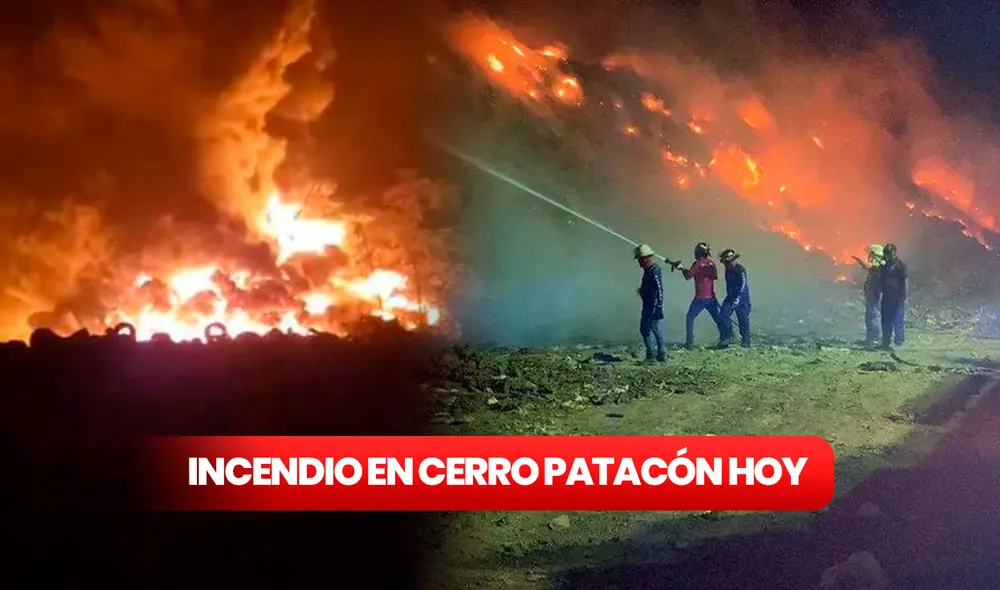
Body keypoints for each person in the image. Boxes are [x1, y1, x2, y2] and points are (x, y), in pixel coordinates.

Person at [680, 242, 724, 348]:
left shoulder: (697, 263)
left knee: (690, 317)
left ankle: (689, 342)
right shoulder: (711, 263)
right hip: (711, 297)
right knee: (717, 318)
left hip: (700, 298)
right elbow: (715, 276)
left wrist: (681, 268)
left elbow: (688, 276)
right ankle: (725, 337)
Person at [634, 244, 666, 363]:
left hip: (652, 305)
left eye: (640, 259)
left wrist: (658, 306)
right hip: (649, 304)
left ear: (645, 258)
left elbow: (659, 289)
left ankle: (652, 355)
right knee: (653, 328)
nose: (639, 262)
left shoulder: (654, 270)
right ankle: (661, 354)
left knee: (647, 329)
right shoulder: (649, 270)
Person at [851, 244, 885, 349]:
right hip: (872, 297)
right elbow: (869, 269)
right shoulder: (878, 268)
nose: (868, 257)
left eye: (870, 255)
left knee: (874, 317)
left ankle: (874, 340)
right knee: (871, 317)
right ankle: (870, 339)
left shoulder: (881, 270)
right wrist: (860, 263)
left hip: (876, 298)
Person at [717, 249, 751, 348]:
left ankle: (746, 340)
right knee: (723, 315)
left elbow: (743, 285)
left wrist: (738, 298)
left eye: (727, 262)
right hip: (730, 298)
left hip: (742, 299)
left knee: (743, 320)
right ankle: (728, 336)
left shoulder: (740, 270)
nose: (726, 265)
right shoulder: (727, 269)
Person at [878, 243, 907, 349]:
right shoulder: (883, 266)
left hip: (897, 297)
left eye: (889, 253)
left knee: (897, 319)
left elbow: (904, 281)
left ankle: (899, 342)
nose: (888, 256)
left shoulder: (901, 265)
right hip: (886, 297)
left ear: (894, 253)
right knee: (886, 320)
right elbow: (881, 278)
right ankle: (885, 342)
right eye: (886, 253)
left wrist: (902, 296)